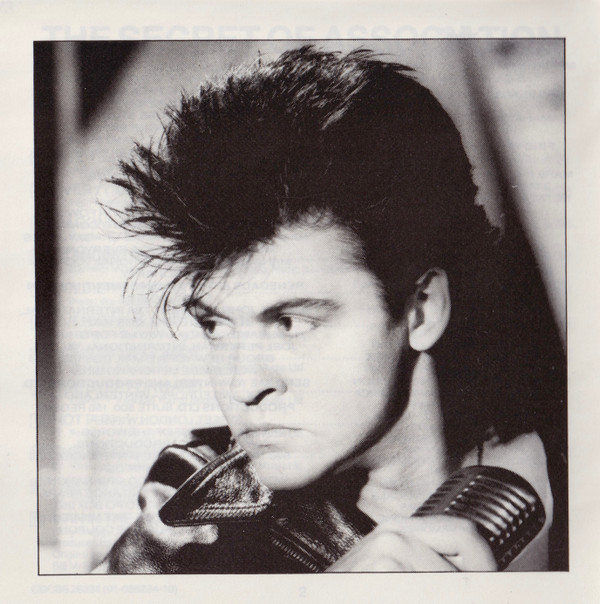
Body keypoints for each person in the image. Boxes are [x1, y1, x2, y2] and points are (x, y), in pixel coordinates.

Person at [94, 46, 566, 573]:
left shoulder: (570, 460)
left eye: (290, 322)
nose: (244, 386)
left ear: (422, 309)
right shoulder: (188, 529)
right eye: (215, 325)